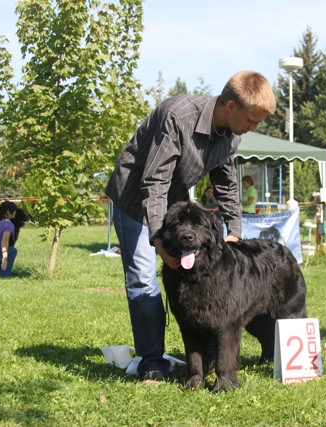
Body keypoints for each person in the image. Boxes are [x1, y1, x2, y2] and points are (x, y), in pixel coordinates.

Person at [105, 71, 276, 381]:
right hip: (134, 199)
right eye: (252, 120)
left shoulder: (231, 135)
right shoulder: (178, 116)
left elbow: (226, 184)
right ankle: (152, 362)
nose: (253, 128)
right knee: (143, 279)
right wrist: (158, 240)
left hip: (174, 204)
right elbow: (155, 182)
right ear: (230, 105)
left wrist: (234, 231)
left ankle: (208, 355)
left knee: (197, 275)